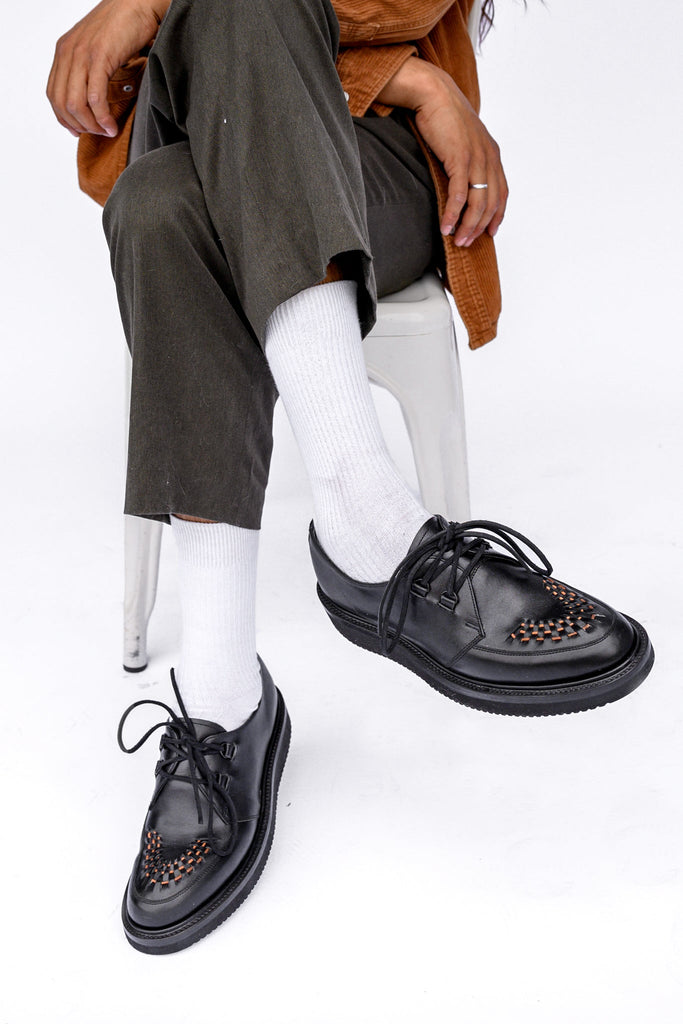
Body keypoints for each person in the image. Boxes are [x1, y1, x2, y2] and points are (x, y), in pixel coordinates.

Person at [47, 0, 654, 955]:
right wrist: (418, 80)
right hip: (205, 133)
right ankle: (287, 625)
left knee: (187, 139)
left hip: (370, 170)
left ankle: (293, 607)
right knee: (163, 189)